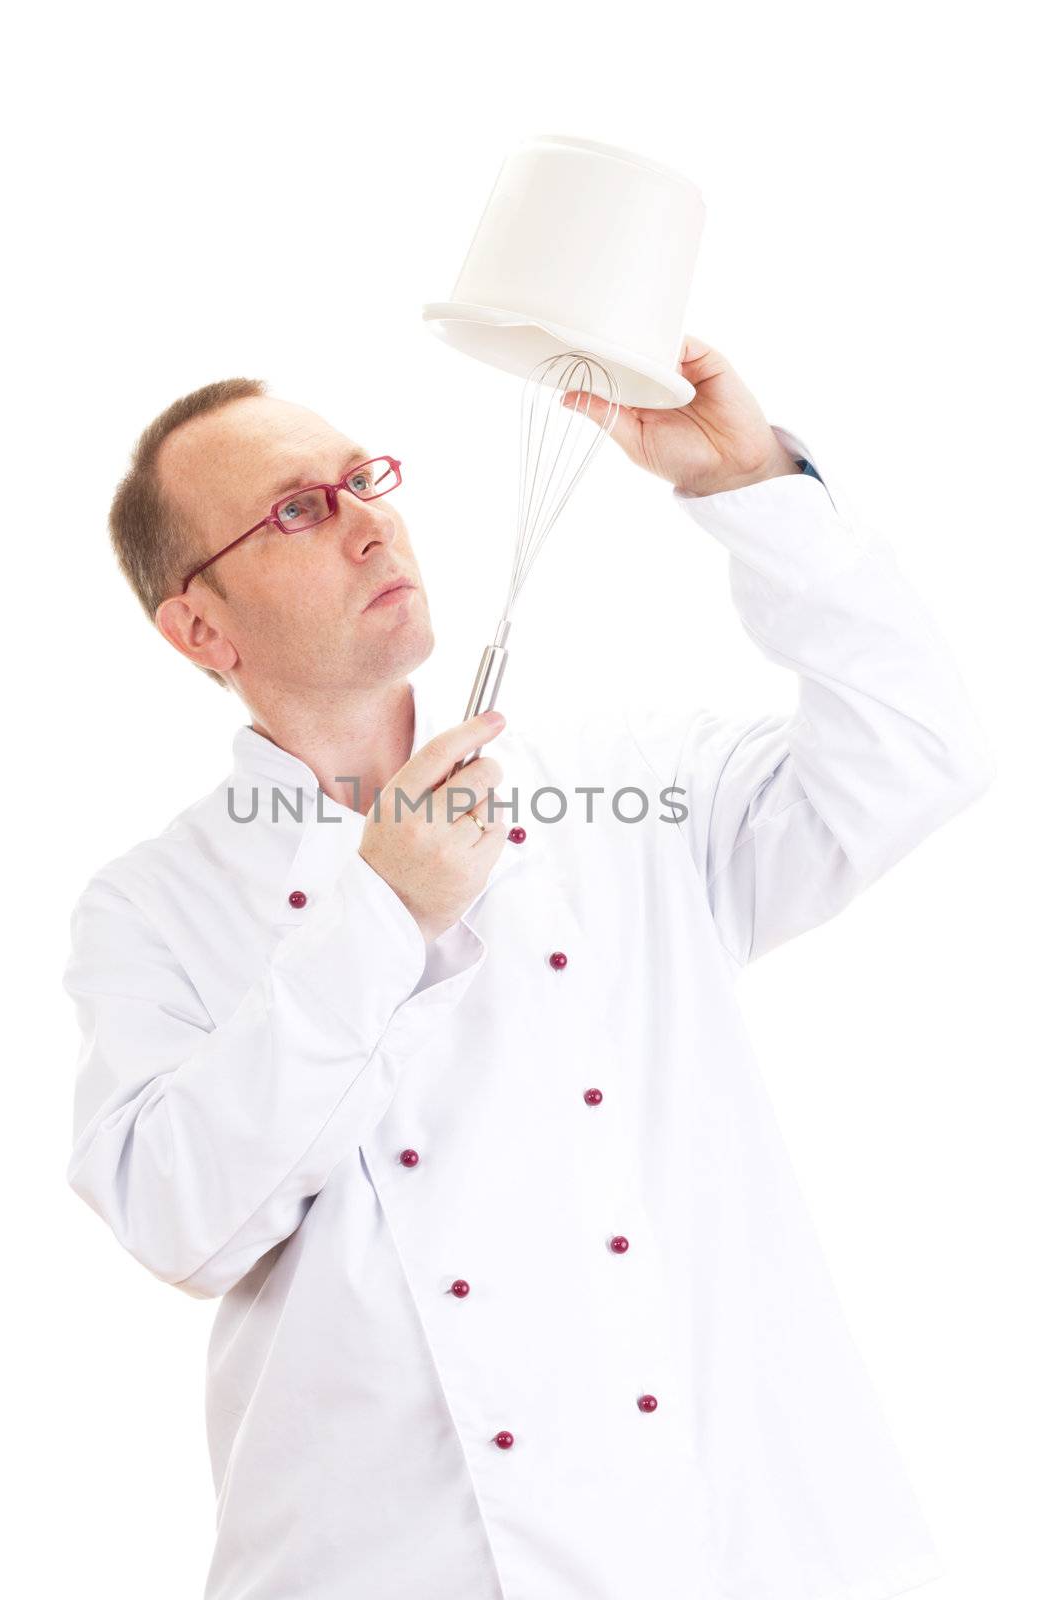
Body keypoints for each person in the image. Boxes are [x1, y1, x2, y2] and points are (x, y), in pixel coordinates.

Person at [64, 336, 992, 1600]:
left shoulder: (632, 789)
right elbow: (180, 1221)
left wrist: (749, 486)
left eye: (366, 479)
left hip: (718, 1544)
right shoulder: (157, 907)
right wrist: (383, 911)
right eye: (298, 509)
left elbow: (920, 752)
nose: (368, 527)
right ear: (198, 627)